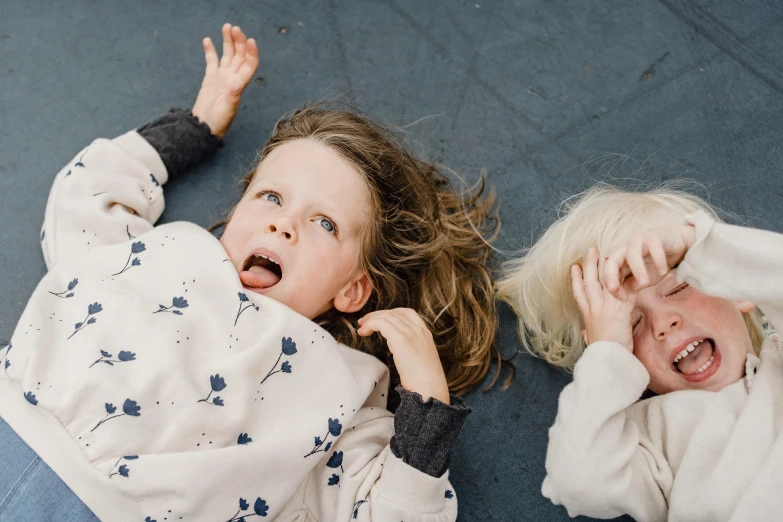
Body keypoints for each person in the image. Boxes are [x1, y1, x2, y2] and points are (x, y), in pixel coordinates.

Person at [0, 24, 503, 521]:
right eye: (271, 197)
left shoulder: (341, 393)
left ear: (353, 289)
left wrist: (426, 407)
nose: (284, 224)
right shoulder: (167, 255)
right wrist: (194, 127)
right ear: (235, 216)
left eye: (324, 223)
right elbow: (83, 199)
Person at [496, 184, 782, 521]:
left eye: (680, 286)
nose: (663, 323)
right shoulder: (648, 437)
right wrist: (606, 352)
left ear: (733, 285)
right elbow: (580, 483)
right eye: (632, 324)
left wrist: (697, 247)